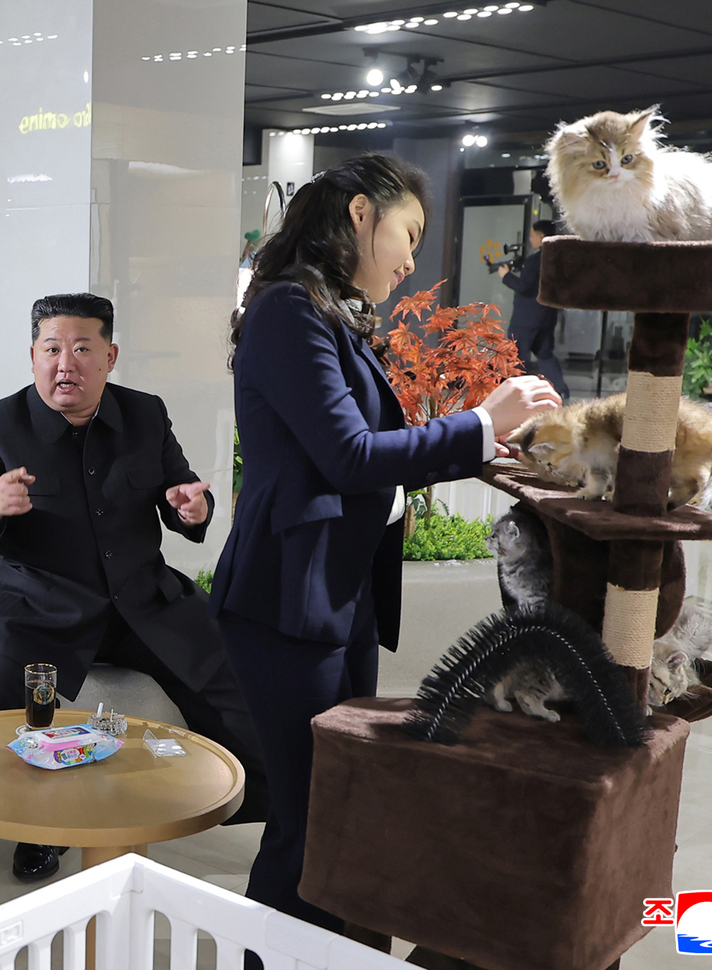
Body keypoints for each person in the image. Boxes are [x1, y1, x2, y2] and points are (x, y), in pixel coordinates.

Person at [210, 155, 560, 930]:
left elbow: (365, 454)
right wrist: (477, 422)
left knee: (343, 798)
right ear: (361, 214)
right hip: (286, 601)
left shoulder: (328, 312)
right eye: (407, 234)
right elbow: (348, 455)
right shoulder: (287, 311)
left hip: (338, 594)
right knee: (309, 814)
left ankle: (341, 946)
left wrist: (480, 447)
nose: (409, 260)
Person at [0, 292, 269, 882]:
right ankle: (36, 831)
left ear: (110, 356)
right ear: (34, 356)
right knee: (2, 696)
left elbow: (183, 492)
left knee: (232, 668)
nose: (65, 364)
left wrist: (193, 510)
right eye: (51, 349)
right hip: (34, 601)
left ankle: (261, 803)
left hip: (138, 595)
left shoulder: (145, 414)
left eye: (82, 349)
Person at [498, 219, 570, 400]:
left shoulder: (534, 261)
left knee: (515, 356)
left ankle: (514, 395)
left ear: (541, 237)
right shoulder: (559, 260)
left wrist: (506, 276)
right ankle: (561, 390)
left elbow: (524, 287)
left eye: (532, 235)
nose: (530, 239)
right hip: (546, 316)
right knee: (545, 355)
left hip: (526, 319)